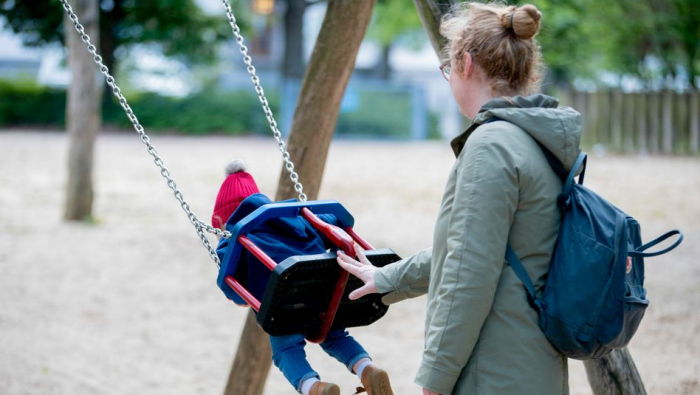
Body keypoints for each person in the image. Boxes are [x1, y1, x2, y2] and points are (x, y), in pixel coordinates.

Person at [336, 3, 581, 395]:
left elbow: (469, 272)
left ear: (466, 64)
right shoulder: (539, 140)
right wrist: (387, 277)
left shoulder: (491, 145)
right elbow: (475, 249)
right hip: (536, 364)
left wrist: (436, 378)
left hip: (492, 371)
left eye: (447, 69)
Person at [212, 159, 394, 395]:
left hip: (285, 303)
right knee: (335, 335)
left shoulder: (235, 240)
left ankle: (314, 388)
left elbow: (233, 291)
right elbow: (335, 223)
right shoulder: (296, 216)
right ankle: (367, 368)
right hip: (326, 293)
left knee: (285, 350)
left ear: (224, 221)